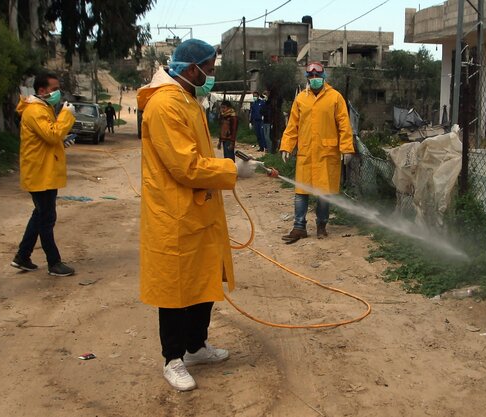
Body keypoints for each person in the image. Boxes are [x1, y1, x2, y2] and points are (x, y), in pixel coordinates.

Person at [137, 38, 265, 392]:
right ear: (192, 69)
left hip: (198, 208)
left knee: (203, 280)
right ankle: (173, 358)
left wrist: (230, 162)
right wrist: (230, 171)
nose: (211, 76)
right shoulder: (165, 105)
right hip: (174, 212)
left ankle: (195, 346)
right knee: (176, 288)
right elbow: (185, 166)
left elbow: (198, 154)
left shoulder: (186, 99)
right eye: (209, 69)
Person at [10, 71, 77, 277]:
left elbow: (48, 137)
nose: (57, 93)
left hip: (44, 171)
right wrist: (67, 116)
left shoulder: (42, 108)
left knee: (39, 215)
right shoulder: (35, 110)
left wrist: (61, 141)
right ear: (42, 90)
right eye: (54, 89)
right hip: (40, 174)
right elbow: (52, 133)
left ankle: (23, 256)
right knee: (47, 218)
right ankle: (53, 262)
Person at [279, 62, 355, 243]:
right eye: (311, 77)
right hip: (306, 152)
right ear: (307, 78)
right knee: (301, 192)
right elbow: (292, 126)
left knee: (323, 193)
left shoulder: (335, 98)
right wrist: (286, 146)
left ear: (324, 77)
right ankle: (299, 227)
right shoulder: (300, 99)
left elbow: (344, 125)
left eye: (317, 76)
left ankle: (321, 225)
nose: (314, 79)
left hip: (326, 153)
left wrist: (346, 148)